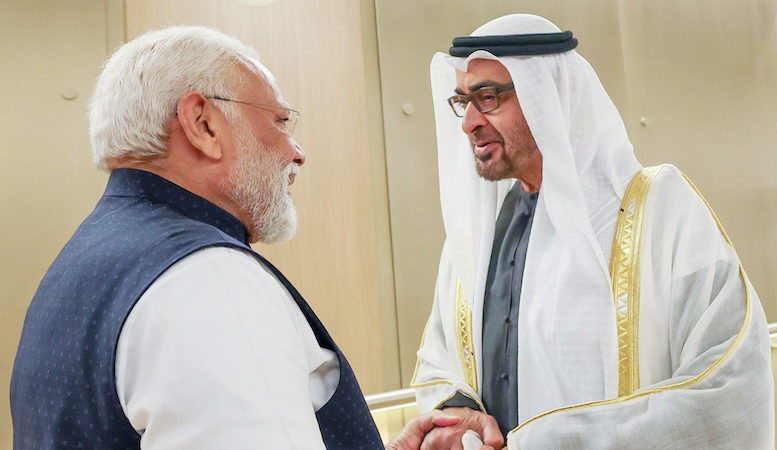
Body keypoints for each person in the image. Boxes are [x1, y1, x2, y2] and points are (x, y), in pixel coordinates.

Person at [10, 25, 459, 449]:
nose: (296, 152)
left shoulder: (83, 260)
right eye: (281, 121)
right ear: (202, 124)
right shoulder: (208, 281)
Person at [411, 13, 774, 449]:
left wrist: (554, 443)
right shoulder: (476, 234)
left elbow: (731, 382)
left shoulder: (661, 211)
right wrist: (457, 412)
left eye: (488, 98)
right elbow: (438, 359)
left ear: (552, 95)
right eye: (463, 101)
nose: (468, 122)